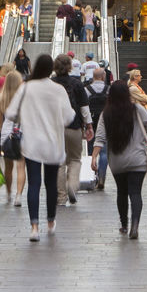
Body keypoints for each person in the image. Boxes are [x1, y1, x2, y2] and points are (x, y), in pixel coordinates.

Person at [3, 54, 73, 242]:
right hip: (53, 144)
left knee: (34, 183)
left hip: (32, 143)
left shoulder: (26, 88)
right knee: (51, 185)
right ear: (51, 69)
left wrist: (25, 117)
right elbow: (69, 117)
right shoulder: (58, 90)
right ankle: (50, 222)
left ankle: (34, 227)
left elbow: (10, 113)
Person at [92, 76, 147, 241]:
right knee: (135, 193)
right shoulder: (137, 109)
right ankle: (135, 225)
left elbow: (99, 137)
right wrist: (143, 138)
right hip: (138, 160)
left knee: (122, 192)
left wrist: (94, 157)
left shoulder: (106, 113)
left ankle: (124, 224)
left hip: (117, 161)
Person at [51, 53, 91, 207]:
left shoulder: (51, 83)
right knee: (75, 159)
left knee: (59, 163)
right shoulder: (77, 84)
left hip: (55, 128)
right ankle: (72, 185)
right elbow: (84, 108)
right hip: (74, 126)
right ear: (70, 66)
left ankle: (61, 197)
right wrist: (89, 125)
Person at [0, 68, 25, 206]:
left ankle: (8, 193)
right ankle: (19, 196)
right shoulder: (24, 97)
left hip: (6, 134)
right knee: (21, 166)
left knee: (8, 167)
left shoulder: (2, 97)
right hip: (22, 132)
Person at [86, 66, 111, 191]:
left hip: (91, 122)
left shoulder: (87, 90)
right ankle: (102, 177)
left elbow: (83, 107)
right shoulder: (109, 90)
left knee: (91, 151)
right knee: (104, 151)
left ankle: (93, 176)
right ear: (103, 76)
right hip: (106, 122)